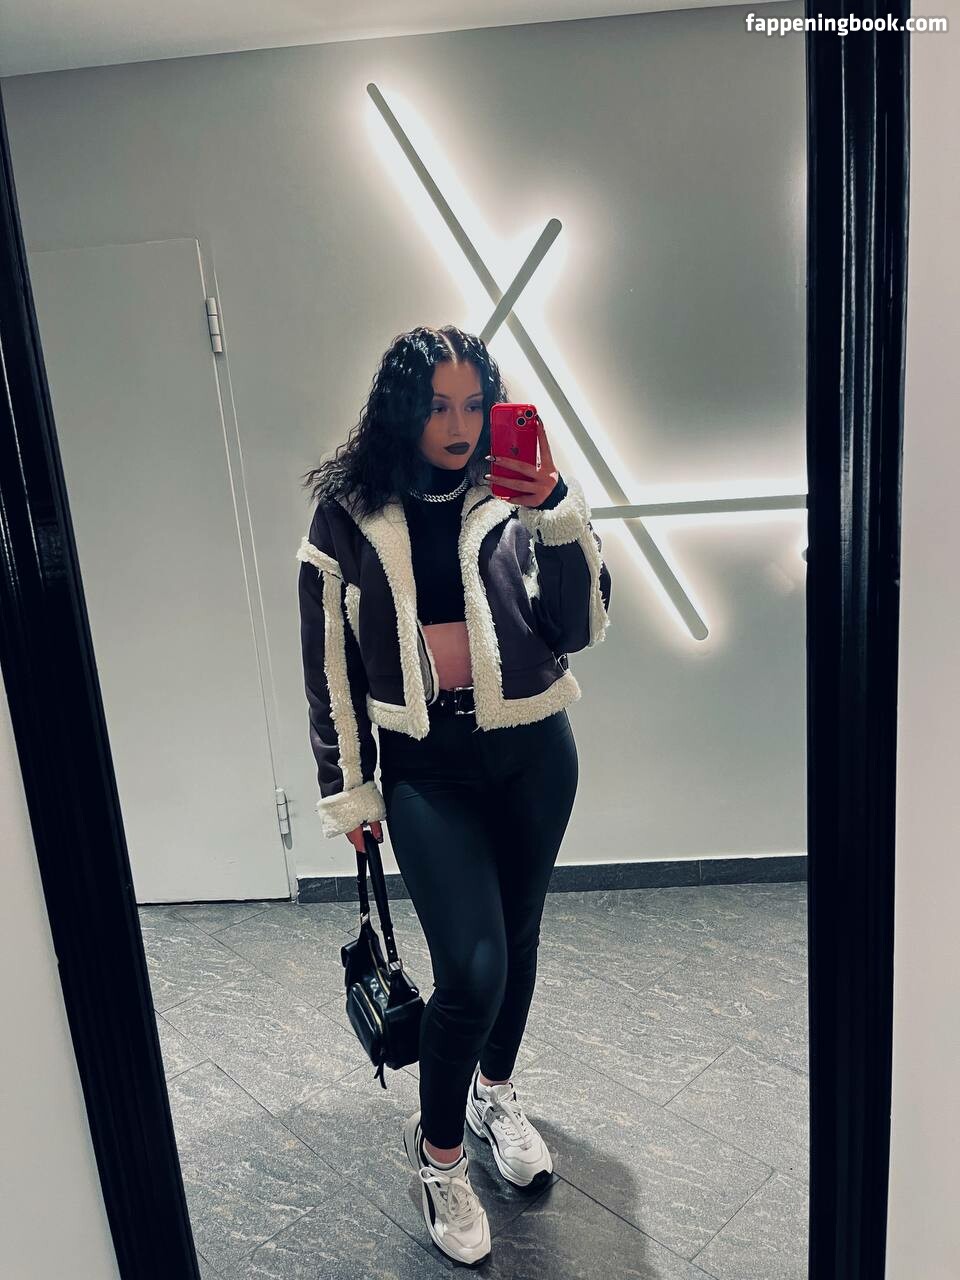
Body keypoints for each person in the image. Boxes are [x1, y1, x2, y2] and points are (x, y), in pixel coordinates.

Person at [297, 325, 612, 1265]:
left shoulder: (514, 491)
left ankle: (493, 1094)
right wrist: (350, 790)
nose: (460, 424)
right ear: (401, 407)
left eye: (475, 403)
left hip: (534, 749)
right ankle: (439, 1160)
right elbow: (329, 667)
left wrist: (558, 512)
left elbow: (578, 625)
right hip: (427, 768)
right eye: (438, 405)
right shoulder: (348, 514)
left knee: (519, 938)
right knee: (472, 969)